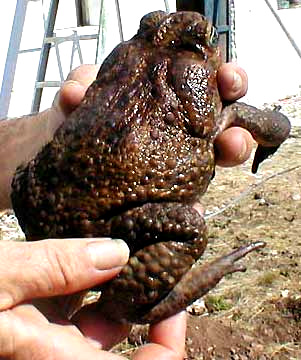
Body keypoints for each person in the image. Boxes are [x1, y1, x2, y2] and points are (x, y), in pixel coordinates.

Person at [0, 63, 252, 359]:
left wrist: (49, 131)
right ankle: (128, 302)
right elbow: (276, 125)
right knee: (189, 227)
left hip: (62, 205)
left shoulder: (133, 64)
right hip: (121, 214)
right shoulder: (202, 84)